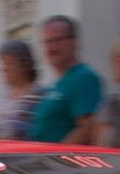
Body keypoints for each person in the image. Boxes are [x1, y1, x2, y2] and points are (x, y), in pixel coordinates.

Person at [27, 15, 102, 144]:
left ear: (74, 42)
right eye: (47, 42)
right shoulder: (58, 83)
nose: (51, 47)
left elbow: (88, 128)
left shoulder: (83, 77)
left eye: (57, 40)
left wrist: (57, 157)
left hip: (61, 161)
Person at [0, 41, 44, 139]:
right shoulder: (5, 99)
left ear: (24, 65)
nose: (4, 69)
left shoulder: (40, 95)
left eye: (9, 64)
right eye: (2, 64)